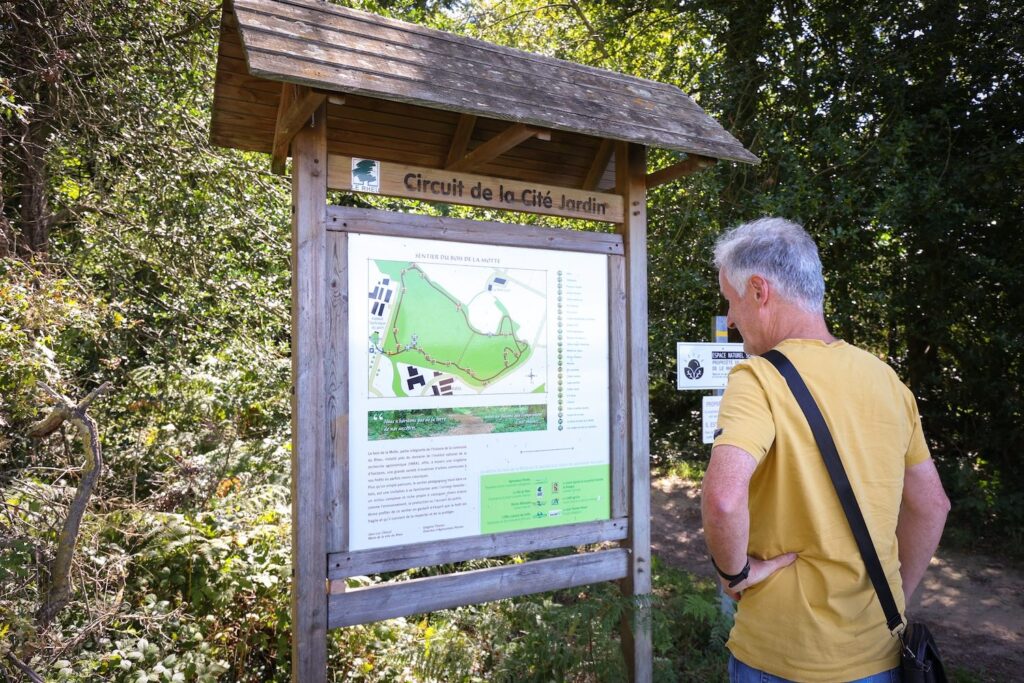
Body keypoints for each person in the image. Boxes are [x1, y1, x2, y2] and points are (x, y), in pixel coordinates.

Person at [700, 217, 950, 683]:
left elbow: (723, 498)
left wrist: (733, 576)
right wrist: (892, 598)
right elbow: (933, 505)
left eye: (729, 302)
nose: (729, 319)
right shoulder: (887, 381)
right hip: (880, 654)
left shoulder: (758, 378)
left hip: (780, 656)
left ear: (759, 290)